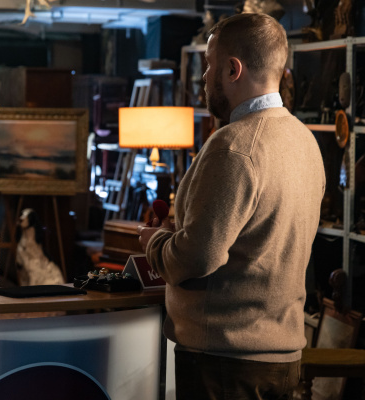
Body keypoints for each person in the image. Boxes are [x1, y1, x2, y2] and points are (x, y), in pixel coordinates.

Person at [137, 13, 325, 400]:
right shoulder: (304, 140)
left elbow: (197, 257)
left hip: (225, 363)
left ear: (232, 69)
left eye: (209, 65)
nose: (205, 77)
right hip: (281, 359)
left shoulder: (235, 146)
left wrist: (153, 241)